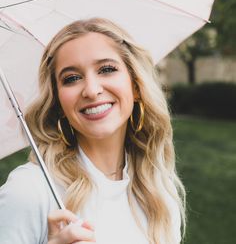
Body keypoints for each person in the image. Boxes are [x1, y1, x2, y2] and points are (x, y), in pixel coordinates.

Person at [0, 17, 185, 244]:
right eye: (72, 78)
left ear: (135, 85)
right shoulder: (29, 190)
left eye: (106, 69)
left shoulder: (158, 192)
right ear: (58, 102)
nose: (91, 89)